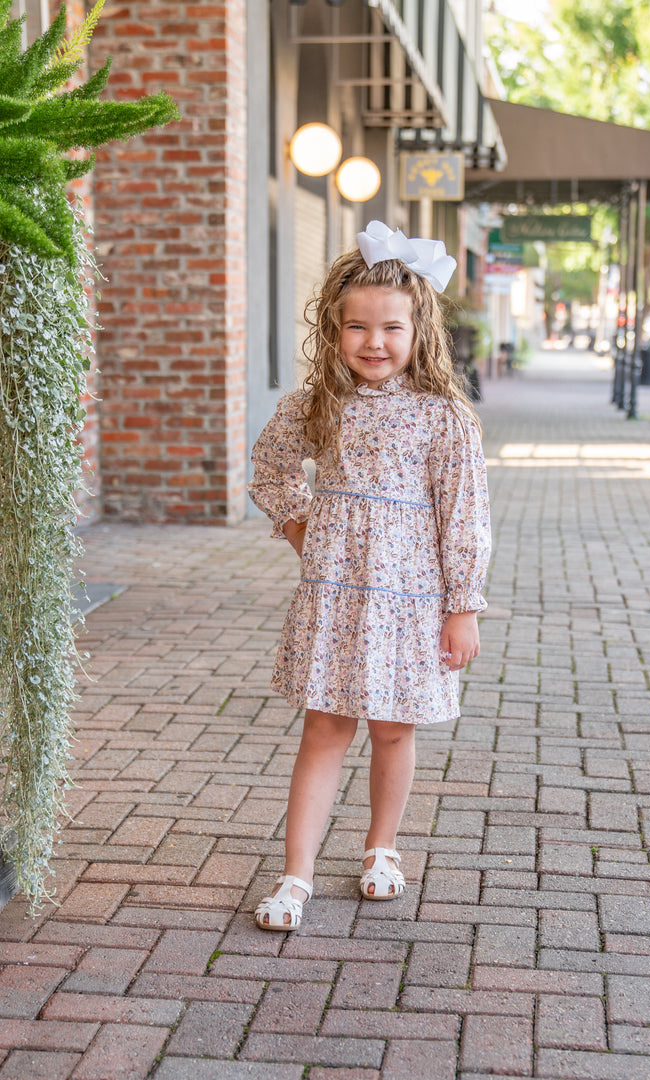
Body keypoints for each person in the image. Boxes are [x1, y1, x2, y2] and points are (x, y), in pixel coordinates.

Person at [248, 220, 491, 931]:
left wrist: (462, 607)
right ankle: (296, 875)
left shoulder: (444, 419)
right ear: (334, 330)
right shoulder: (317, 405)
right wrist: (301, 527)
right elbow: (270, 467)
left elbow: (464, 517)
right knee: (325, 727)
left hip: (412, 601)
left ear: (420, 332)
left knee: (392, 729)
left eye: (391, 327)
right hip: (335, 597)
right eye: (357, 327)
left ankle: (382, 847)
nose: (374, 343)